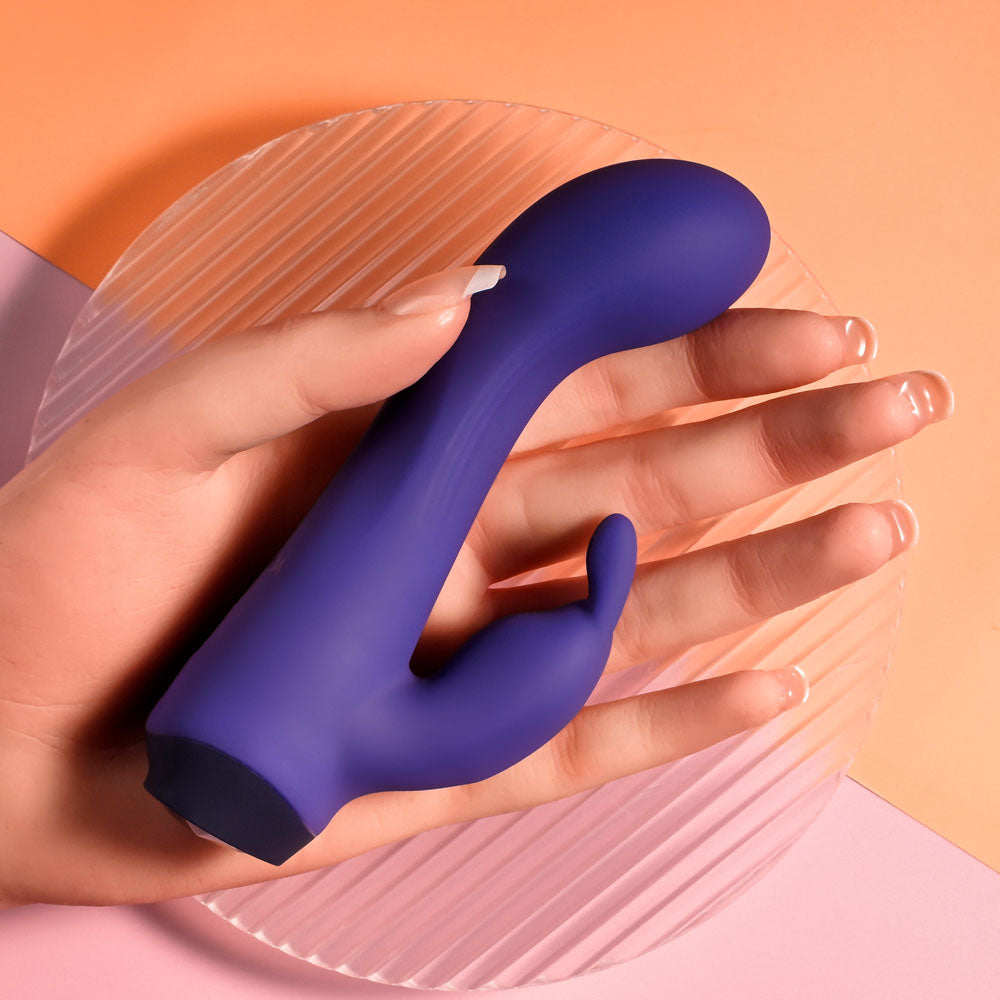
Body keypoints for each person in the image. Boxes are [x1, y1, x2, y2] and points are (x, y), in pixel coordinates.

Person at [0, 264, 953, 908]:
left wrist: (581, 631)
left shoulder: (342, 740)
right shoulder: (347, 744)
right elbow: (506, 708)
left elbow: (502, 706)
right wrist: (582, 634)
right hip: (273, 751)